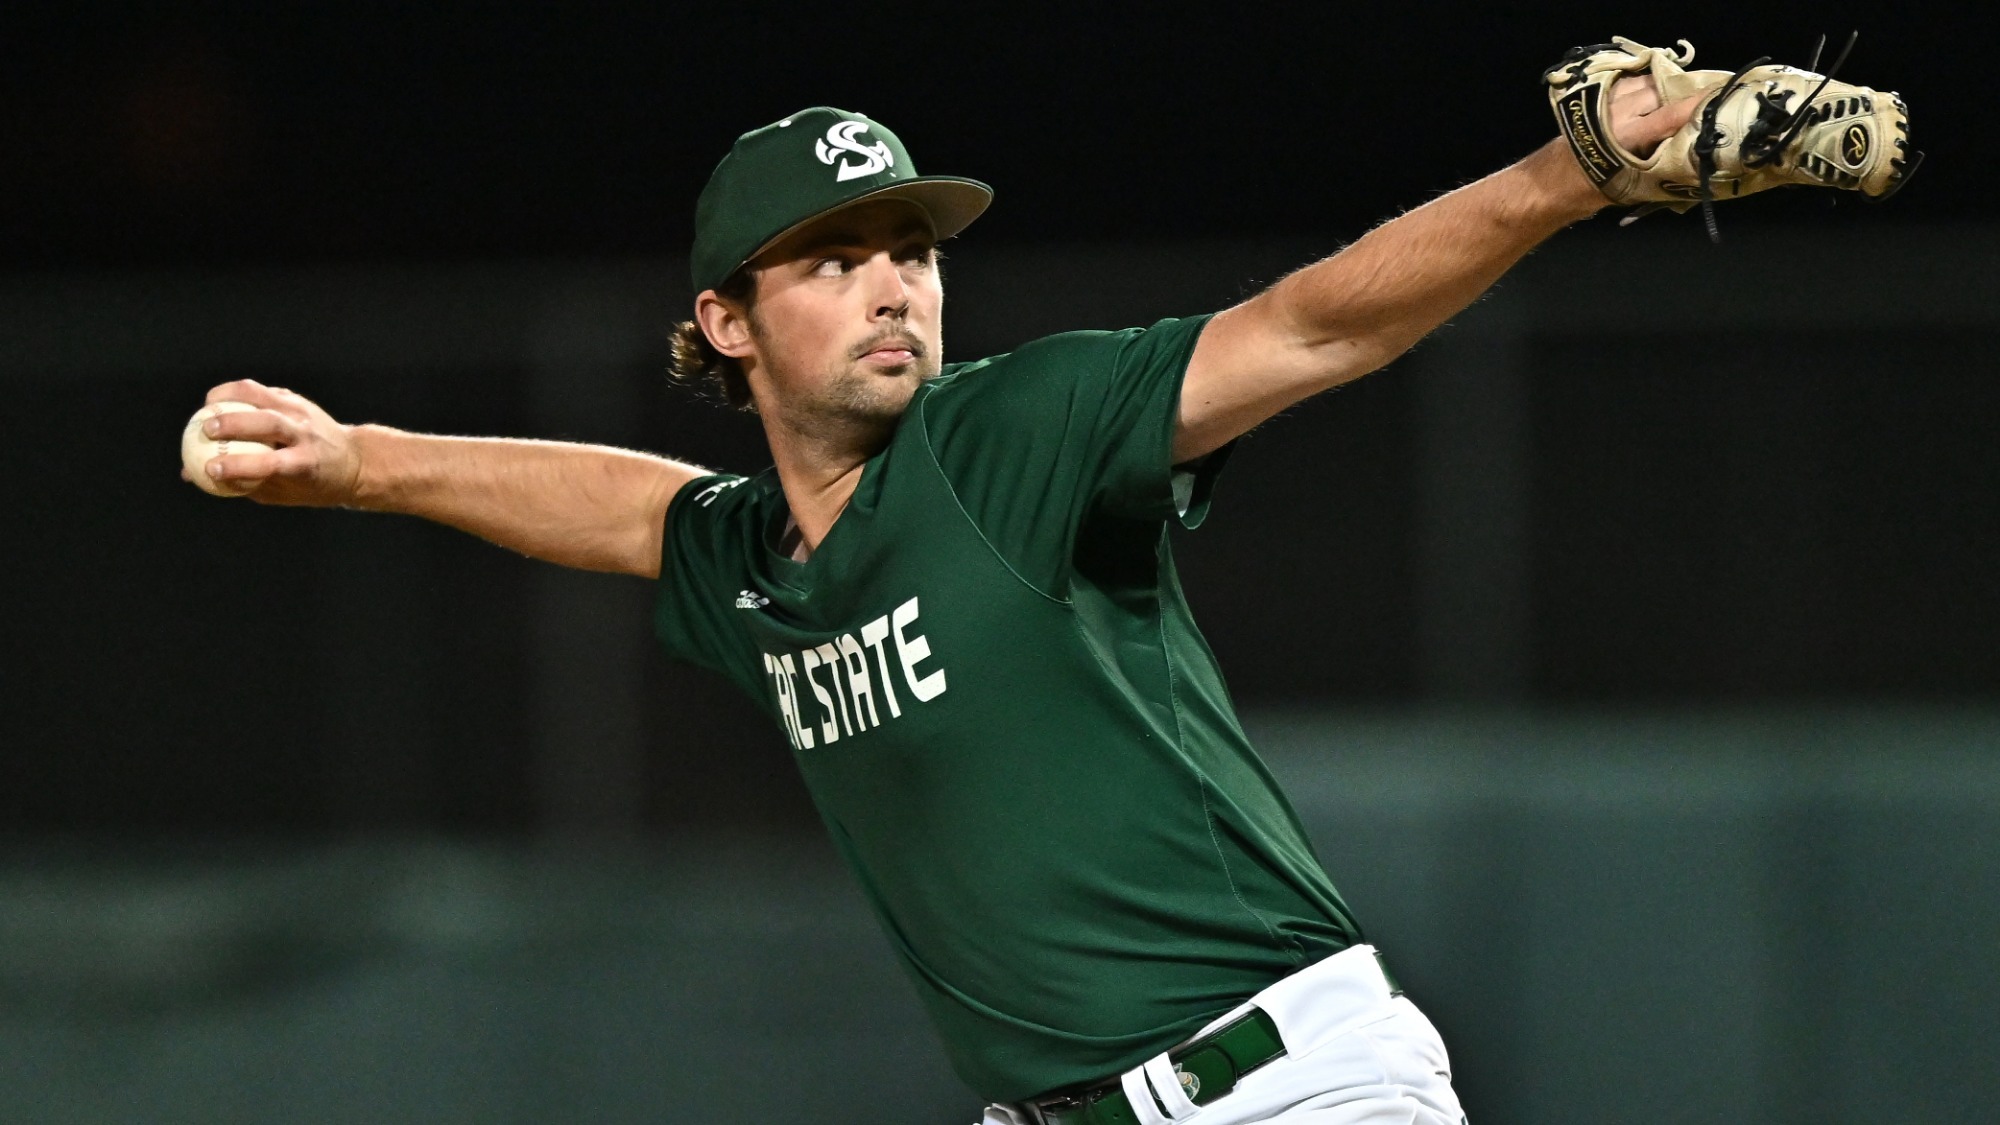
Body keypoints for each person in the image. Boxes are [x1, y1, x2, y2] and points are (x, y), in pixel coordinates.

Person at [191, 77, 1696, 1125]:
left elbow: (1306, 330)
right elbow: (627, 507)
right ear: (726, 323)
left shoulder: (1005, 438)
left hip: (1279, 1085)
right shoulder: (756, 564)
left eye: (909, 251)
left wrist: (1565, 178)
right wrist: (359, 462)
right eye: (834, 261)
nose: (894, 285)